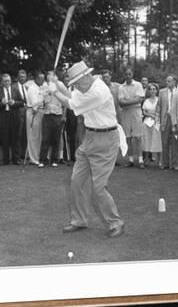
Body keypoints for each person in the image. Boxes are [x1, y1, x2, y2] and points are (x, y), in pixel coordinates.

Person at [48, 61, 125, 238]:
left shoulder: (99, 91)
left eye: (76, 83)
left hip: (106, 140)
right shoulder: (86, 86)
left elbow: (71, 104)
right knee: (77, 180)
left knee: (98, 187)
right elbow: (72, 96)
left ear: (86, 77)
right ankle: (80, 220)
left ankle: (116, 222)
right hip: (90, 137)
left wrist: (54, 91)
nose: (75, 86)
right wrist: (56, 83)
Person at [118, 67, 145, 168]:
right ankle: (130, 159)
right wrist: (134, 100)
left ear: (132, 74)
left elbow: (140, 99)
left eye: (130, 74)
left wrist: (127, 101)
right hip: (125, 113)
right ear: (124, 75)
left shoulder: (138, 85)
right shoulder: (121, 87)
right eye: (126, 74)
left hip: (136, 112)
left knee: (138, 137)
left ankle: (140, 160)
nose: (128, 76)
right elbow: (121, 103)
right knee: (127, 137)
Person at [0, 73, 23, 165]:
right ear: (2, 82)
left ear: (11, 81)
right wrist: (2, 103)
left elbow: (22, 102)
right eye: (5, 81)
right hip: (4, 117)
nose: (7, 82)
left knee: (15, 138)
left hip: (14, 116)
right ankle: (5, 159)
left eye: (8, 81)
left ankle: (16, 159)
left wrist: (14, 102)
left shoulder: (15, 90)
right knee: (5, 138)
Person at [38, 71, 66, 167]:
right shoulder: (44, 86)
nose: (49, 77)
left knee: (56, 138)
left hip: (57, 115)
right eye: (48, 76)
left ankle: (55, 160)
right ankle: (42, 160)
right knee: (45, 138)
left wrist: (55, 85)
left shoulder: (60, 85)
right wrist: (46, 94)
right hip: (47, 115)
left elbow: (65, 95)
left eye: (51, 75)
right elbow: (41, 99)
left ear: (55, 76)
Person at [156, 75, 178, 170]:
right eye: (166, 81)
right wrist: (157, 120)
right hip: (165, 119)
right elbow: (158, 107)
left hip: (175, 119)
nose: (167, 83)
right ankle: (165, 163)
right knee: (164, 142)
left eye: (169, 81)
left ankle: (174, 164)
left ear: (174, 82)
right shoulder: (162, 92)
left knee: (175, 142)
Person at [25, 72, 46, 165]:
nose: (43, 81)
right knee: (33, 136)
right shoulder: (32, 88)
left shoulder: (42, 87)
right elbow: (35, 104)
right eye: (41, 79)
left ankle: (38, 156)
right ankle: (33, 158)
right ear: (37, 79)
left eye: (43, 79)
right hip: (33, 112)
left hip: (41, 112)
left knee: (39, 136)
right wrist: (45, 101)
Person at [140, 83, 162, 167]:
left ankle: (160, 160)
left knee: (157, 140)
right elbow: (144, 111)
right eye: (151, 89)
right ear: (148, 91)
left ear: (156, 90)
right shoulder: (146, 101)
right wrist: (150, 115)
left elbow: (160, 110)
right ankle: (146, 159)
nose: (152, 91)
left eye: (154, 89)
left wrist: (156, 116)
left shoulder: (159, 100)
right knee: (146, 140)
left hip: (157, 121)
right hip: (147, 121)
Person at [14, 69, 29, 162]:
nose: (22, 78)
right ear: (17, 77)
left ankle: (24, 154)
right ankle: (18, 155)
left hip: (28, 113)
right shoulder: (14, 87)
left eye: (24, 76)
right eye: (21, 76)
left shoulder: (28, 86)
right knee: (18, 135)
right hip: (18, 113)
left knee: (26, 134)